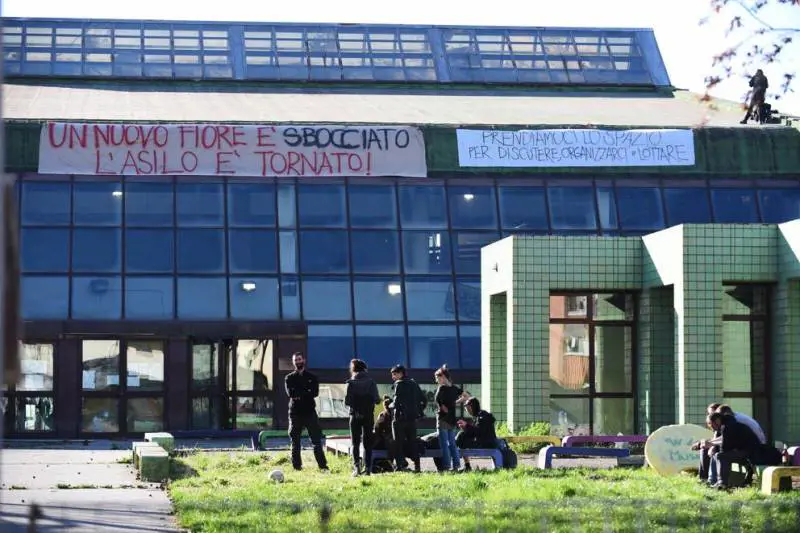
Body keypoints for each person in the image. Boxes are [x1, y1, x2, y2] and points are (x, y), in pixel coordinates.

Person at [284, 352, 328, 471]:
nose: (298, 362)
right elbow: (291, 393)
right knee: (295, 441)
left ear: (304, 360)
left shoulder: (312, 377)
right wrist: (306, 392)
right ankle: (297, 467)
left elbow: (315, 393)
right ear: (293, 362)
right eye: (295, 360)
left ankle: (323, 466)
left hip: (309, 412)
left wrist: (300, 394)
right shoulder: (289, 378)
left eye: (299, 359)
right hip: (295, 413)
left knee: (316, 440)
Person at [344, 358, 380, 477]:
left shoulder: (350, 383)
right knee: (367, 443)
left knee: (355, 443)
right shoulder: (371, 382)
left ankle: (356, 468)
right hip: (368, 416)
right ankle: (368, 468)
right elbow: (377, 399)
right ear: (365, 369)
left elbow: (347, 401)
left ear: (353, 369)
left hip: (354, 415)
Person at [708, 411, 761, 489]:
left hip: (751, 452)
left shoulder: (728, 426)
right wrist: (710, 445)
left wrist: (712, 445)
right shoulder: (728, 424)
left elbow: (725, 446)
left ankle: (722, 483)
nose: (711, 427)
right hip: (743, 450)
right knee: (718, 455)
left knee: (720, 456)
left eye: (711, 424)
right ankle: (714, 481)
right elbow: (725, 442)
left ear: (717, 421)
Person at [390, 364, 426, 472]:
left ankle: (400, 465)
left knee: (398, 442)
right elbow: (423, 399)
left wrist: (390, 405)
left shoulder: (399, 384)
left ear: (401, 373)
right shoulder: (414, 383)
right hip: (412, 419)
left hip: (400, 419)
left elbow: (396, 402)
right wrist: (419, 412)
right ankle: (417, 466)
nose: (393, 377)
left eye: (394, 374)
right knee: (413, 442)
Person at [434, 364, 468, 472]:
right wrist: (455, 402)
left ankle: (447, 467)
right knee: (452, 444)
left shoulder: (441, 388)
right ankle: (456, 466)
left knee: (444, 444)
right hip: (451, 419)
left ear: (443, 376)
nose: (437, 380)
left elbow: (437, 400)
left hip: (443, 419)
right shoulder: (454, 388)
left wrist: (447, 404)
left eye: (438, 378)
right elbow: (466, 396)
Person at [456, 397, 498, 471]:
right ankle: (467, 465)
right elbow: (475, 432)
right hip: (483, 441)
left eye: (467, 408)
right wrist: (465, 429)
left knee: (461, 438)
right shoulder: (478, 416)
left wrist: (466, 426)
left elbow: (479, 432)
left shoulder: (483, 416)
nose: (467, 411)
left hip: (486, 443)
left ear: (472, 406)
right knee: (461, 436)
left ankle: (466, 465)